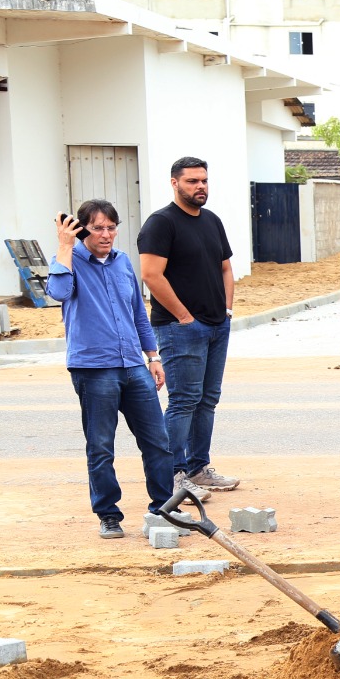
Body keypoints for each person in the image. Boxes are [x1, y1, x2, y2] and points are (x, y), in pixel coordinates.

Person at [47, 201, 175, 538]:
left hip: (133, 365)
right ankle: (108, 515)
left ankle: (164, 509)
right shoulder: (68, 260)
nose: (106, 235)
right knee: (101, 446)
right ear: (82, 230)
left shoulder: (122, 263)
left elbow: (137, 313)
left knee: (158, 442)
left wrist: (153, 356)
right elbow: (58, 292)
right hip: (93, 369)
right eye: (97, 228)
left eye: (111, 227)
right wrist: (64, 246)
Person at [138, 156, 238, 499]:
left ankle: (198, 467)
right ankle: (173, 474)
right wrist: (184, 317)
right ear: (174, 183)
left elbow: (226, 267)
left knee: (207, 399)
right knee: (183, 401)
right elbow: (151, 275)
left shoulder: (211, 221)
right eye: (192, 181)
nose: (200, 187)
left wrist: (226, 310)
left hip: (216, 326)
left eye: (204, 181)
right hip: (180, 329)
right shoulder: (161, 223)